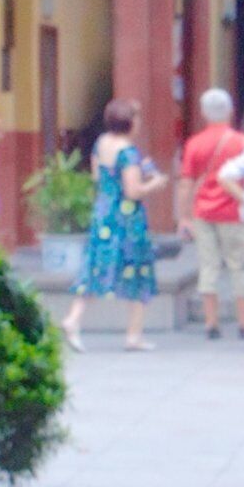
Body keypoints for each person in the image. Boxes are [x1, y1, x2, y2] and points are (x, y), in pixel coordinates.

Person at [62, 99, 164, 352]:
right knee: (137, 269)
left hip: (104, 213)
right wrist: (156, 183)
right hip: (127, 220)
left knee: (97, 266)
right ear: (129, 123)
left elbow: (98, 177)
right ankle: (134, 334)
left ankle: (73, 318)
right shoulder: (128, 152)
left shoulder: (101, 144)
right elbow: (133, 191)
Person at [179, 88, 244, 341]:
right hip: (234, 210)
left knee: (208, 267)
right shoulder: (242, 142)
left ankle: (211, 323)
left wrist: (184, 216)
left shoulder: (194, 143)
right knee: (239, 266)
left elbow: (186, 182)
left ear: (203, 113)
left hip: (203, 211)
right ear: (231, 111)